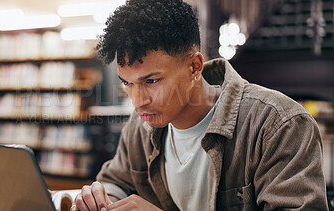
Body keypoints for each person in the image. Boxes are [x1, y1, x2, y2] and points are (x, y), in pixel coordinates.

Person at [72, 0, 328, 210]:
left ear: (194, 66)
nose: (138, 102)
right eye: (127, 83)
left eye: (151, 81)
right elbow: (116, 181)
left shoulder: (278, 125)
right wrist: (101, 198)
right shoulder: (140, 126)